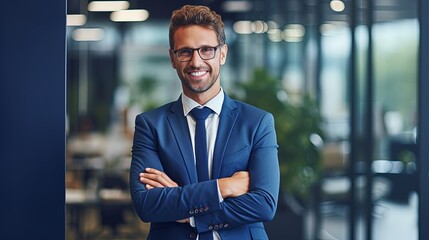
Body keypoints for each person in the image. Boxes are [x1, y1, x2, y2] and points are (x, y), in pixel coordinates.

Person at [129, 5, 280, 240]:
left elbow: (264, 204)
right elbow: (147, 204)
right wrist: (224, 187)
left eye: (206, 50)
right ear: (172, 58)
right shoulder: (151, 125)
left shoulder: (258, 122)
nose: (196, 62)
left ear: (222, 53)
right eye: (185, 52)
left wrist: (190, 214)